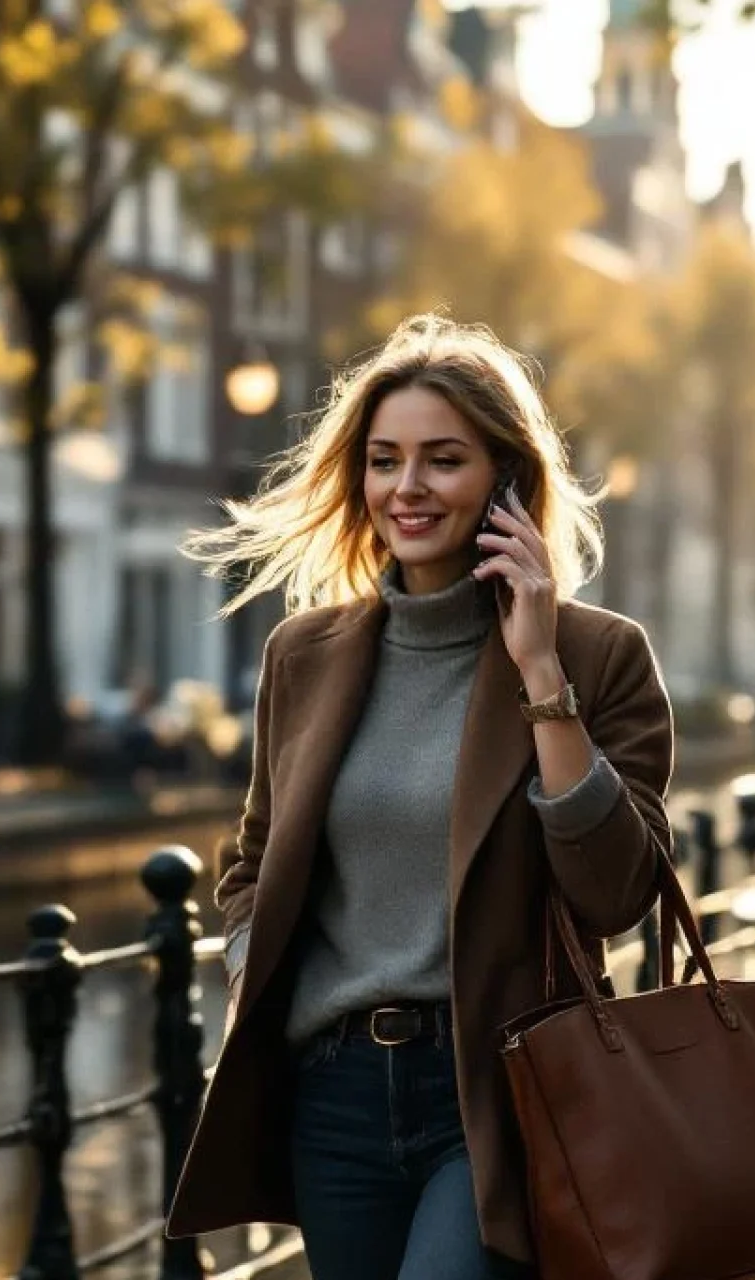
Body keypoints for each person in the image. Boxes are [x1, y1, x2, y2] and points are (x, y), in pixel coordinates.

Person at [169, 316, 676, 1279]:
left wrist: (540, 676)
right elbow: (254, 855)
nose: (408, 488)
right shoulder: (304, 655)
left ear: (505, 478)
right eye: (384, 460)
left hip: (499, 1085)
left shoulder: (599, 655)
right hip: (335, 1094)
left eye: (444, 460)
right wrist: (249, 963)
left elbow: (616, 893)